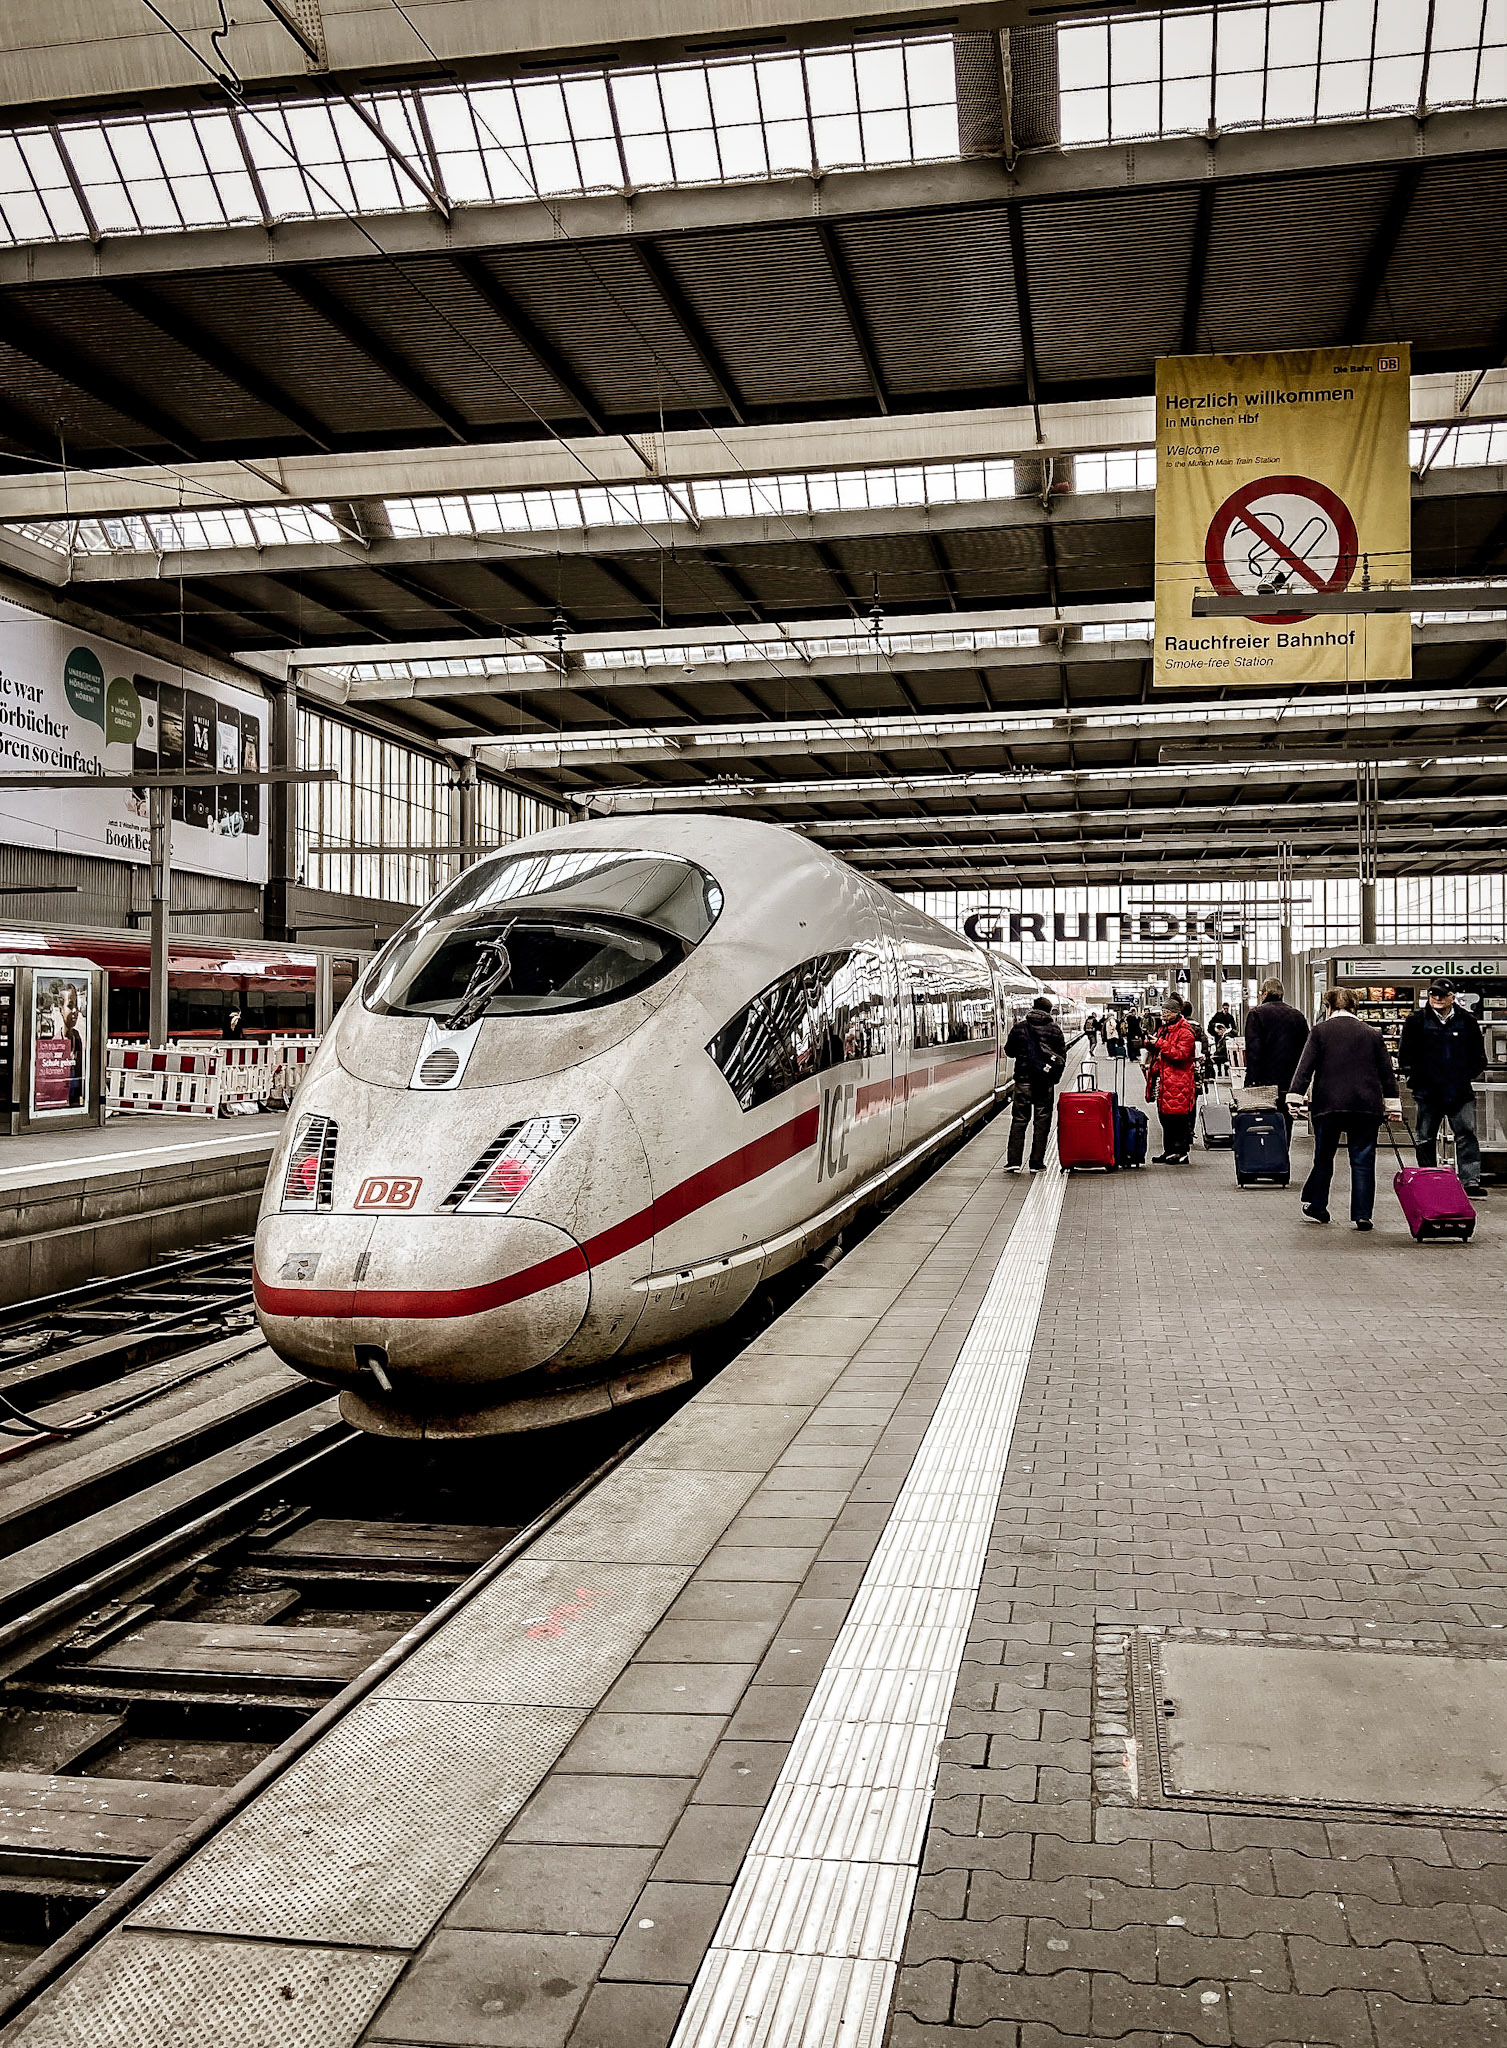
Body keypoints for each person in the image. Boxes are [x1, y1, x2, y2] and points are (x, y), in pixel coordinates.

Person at [1287, 987, 1403, 1230]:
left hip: (1328, 1105)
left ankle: (1318, 1204)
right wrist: (1394, 1106)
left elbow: (1305, 1067)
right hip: (1365, 1106)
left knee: (1324, 1157)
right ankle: (1362, 1214)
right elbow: (1387, 1073)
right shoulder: (1372, 1033)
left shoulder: (1320, 1031)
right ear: (1355, 1007)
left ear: (1328, 1007)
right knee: (1363, 1159)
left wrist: (1295, 1098)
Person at [1398, 979, 1488, 1199]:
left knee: (1466, 1135)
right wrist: (1415, 1078)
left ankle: (1470, 1181)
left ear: (1452, 997)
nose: (1437, 998)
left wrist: (1464, 1075)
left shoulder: (1467, 1021)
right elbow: (1405, 1054)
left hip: (1459, 1091)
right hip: (1427, 1092)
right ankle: (1429, 1177)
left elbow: (1478, 1056)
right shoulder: (1416, 1021)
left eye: (1442, 995)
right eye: (1433, 994)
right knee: (1425, 1138)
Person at [1004, 995, 1067, 1174]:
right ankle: (1036, 1163)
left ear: (1033, 1008)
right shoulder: (1055, 1030)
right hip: (1044, 1082)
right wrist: (1054, 1078)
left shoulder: (1019, 1027)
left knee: (1019, 1120)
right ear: (1049, 1011)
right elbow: (1062, 1057)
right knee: (1042, 1121)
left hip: (1023, 1080)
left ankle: (1014, 1162)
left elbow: (1009, 1051)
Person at [1243, 977, 1310, 1129]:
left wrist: (1252, 1081)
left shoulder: (1256, 1014)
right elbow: (1306, 1049)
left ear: (1264, 993)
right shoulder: (1297, 1015)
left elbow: (1254, 1051)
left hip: (1265, 1081)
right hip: (1290, 1080)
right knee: (1286, 1123)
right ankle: (1284, 1144)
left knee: (1264, 1124)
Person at [1147, 997, 1198, 1162]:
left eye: (1167, 1012)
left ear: (1176, 1012)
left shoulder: (1186, 1032)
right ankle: (1168, 1150)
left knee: (1178, 1119)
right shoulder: (1164, 1029)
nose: (1164, 1015)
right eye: (1163, 1012)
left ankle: (1181, 1152)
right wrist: (1149, 1042)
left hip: (1179, 1082)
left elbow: (1181, 1054)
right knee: (1165, 1117)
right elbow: (1158, 1047)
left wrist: (1160, 1043)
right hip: (1164, 1081)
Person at [1208, 1002, 1236, 1075]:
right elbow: (1211, 1023)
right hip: (1218, 1036)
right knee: (1219, 1051)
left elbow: (1234, 1026)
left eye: (1227, 1008)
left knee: (1225, 1053)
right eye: (1225, 1008)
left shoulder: (1229, 1017)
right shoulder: (1218, 1015)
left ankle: (1225, 1070)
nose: (1226, 1010)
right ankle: (1219, 1070)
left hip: (1224, 1035)